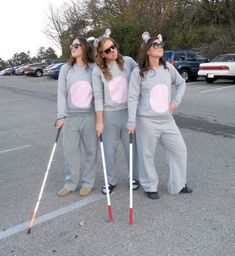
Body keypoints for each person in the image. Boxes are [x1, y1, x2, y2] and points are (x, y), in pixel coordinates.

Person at [127, 32, 192, 200]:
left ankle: (178, 184)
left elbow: (181, 83)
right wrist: (131, 120)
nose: (160, 48)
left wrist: (175, 101)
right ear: (148, 50)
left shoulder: (168, 68)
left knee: (179, 149)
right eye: (155, 45)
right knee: (146, 154)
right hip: (146, 121)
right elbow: (133, 97)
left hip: (167, 120)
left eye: (161, 45)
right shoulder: (138, 72)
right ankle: (149, 186)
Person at [92, 29, 139, 194]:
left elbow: (141, 76)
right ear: (102, 54)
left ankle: (134, 177)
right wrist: (99, 121)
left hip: (128, 112)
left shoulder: (128, 61)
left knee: (131, 148)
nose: (112, 51)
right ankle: (110, 180)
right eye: (107, 50)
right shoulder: (98, 70)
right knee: (109, 151)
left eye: (113, 47)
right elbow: (98, 97)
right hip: (109, 115)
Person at [56, 36, 98, 197]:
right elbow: (61, 93)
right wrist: (60, 116)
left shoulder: (93, 68)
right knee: (70, 152)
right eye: (71, 45)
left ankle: (88, 182)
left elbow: (99, 92)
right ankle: (70, 183)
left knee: (91, 151)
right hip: (70, 117)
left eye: (76, 45)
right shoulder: (66, 69)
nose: (72, 48)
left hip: (90, 116)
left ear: (84, 48)